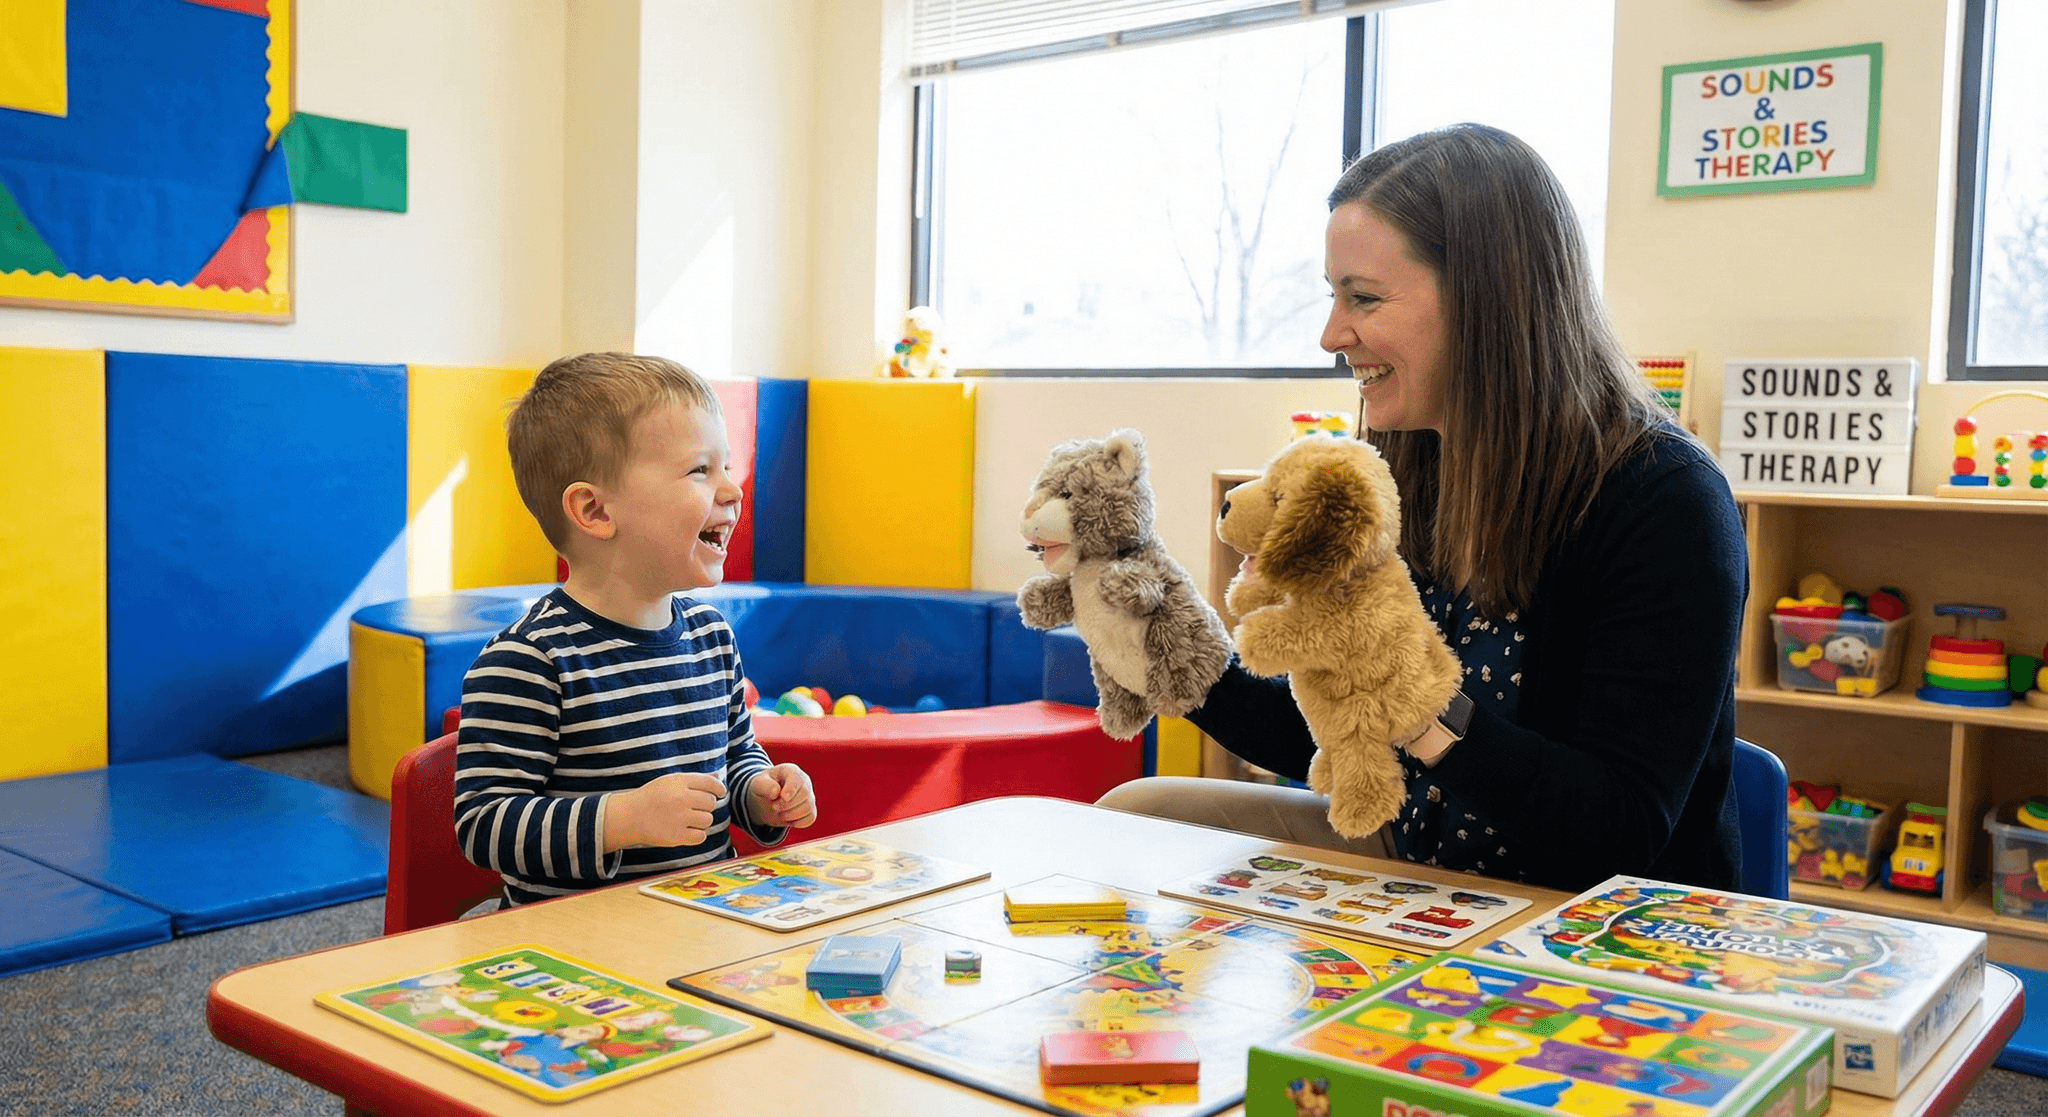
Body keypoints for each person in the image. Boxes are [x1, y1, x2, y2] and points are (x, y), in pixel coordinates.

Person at [1099, 124, 1746, 893]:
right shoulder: (1412, 462)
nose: (1332, 334)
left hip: (1582, 899)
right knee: (1138, 808)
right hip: (1423, 860)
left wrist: (1418, 706)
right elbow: (1330, 714)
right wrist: (1171, 649)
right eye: (1334, 296)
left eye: (1362, 298)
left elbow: (1619, 829)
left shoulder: (1664, 500)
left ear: (1488, 302)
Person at [454, 352, 817, 909]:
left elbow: (737, 756)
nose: (731, 488)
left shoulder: (711, 636)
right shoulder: (531, 661)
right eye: (701, 469)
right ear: (595, 510)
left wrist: (760, 793)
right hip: (576, 950)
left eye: (727, 466)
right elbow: (485, 824)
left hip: (698, 920)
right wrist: (621, 820)